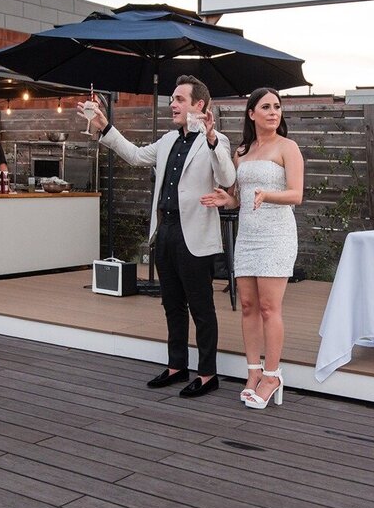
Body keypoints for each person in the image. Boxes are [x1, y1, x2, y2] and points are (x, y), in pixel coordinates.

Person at [82, 75, 236, 398]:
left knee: (201, 308)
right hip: (164, 231)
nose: (172, 105)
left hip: (194, 234)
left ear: (199, 105)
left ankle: (208, 373)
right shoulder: (166, 141)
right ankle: (177, 365)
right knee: (172, 304)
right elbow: (137, 157)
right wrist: (105, 126)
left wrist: (209, 137)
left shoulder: (216, 141)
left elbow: (227, 176)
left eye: (179, 99)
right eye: (172, 100)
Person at [200, 88, 304, 410]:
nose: (273, 112)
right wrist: (226, 200)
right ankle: (253, 372)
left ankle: (273, 375)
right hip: (247, 237)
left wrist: (268, 195)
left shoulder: (288, 147)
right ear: (251, 114)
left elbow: (297, 194)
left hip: (277, 236)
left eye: (277, 107)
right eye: (266, 107)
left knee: (270, 309)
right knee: (247, 306)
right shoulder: (242, 151)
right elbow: (238, 198)